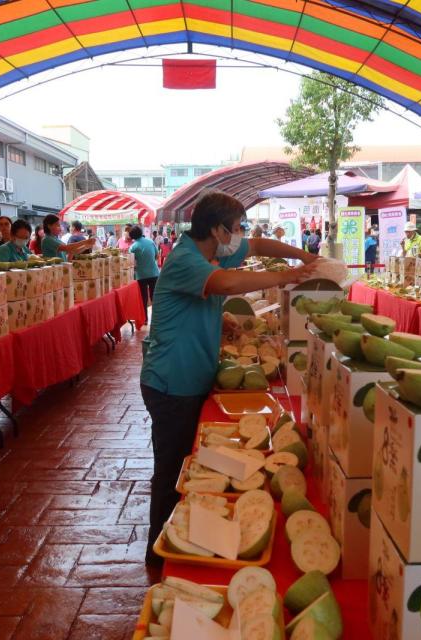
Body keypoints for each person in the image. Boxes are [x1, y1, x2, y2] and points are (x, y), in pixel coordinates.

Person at [141, 192, 318, 567]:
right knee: (172, 470)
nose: (241, 235)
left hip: (193, 377)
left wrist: (302, 256)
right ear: (218, 230)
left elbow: (258, 245)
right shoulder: (187, 258)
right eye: (236, 228)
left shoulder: (213, 250)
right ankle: (161, 552)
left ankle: (186, 536)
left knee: (189, 465)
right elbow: (226, 284)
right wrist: (287, 275)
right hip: (172, 381)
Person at [129, 226, 159, 320]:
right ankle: (157, 318)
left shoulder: (133, 247)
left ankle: (145, 319)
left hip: (141, 275)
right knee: (154, 296)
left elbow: (131, 263)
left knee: (143, 298)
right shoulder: (150, 241)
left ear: (132, 236)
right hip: (154, 273)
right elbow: (157, 256)